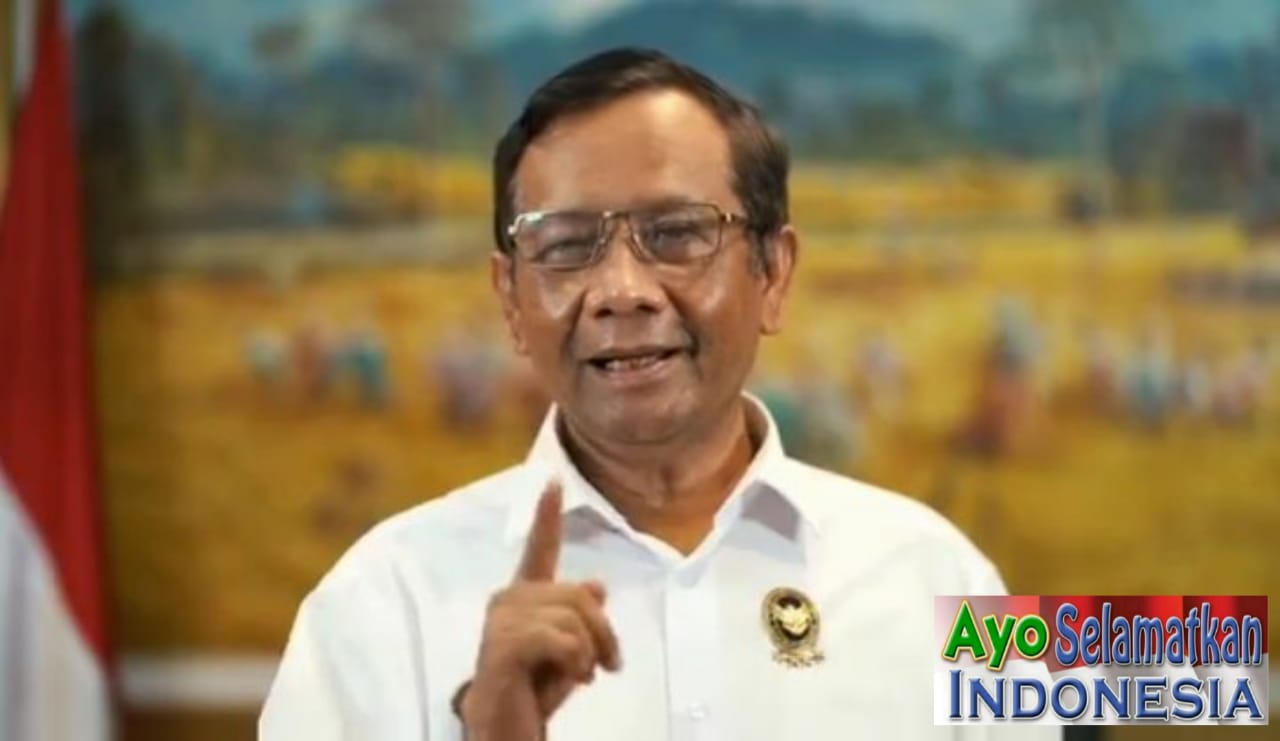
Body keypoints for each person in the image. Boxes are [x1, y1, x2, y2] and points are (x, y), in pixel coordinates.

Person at [260, 48, 1058, 740]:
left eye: (677, 234)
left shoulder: (947, 576)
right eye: (567, 245)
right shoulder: (378, 602)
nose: (621, 290)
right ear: (510, 298)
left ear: (774, 272)